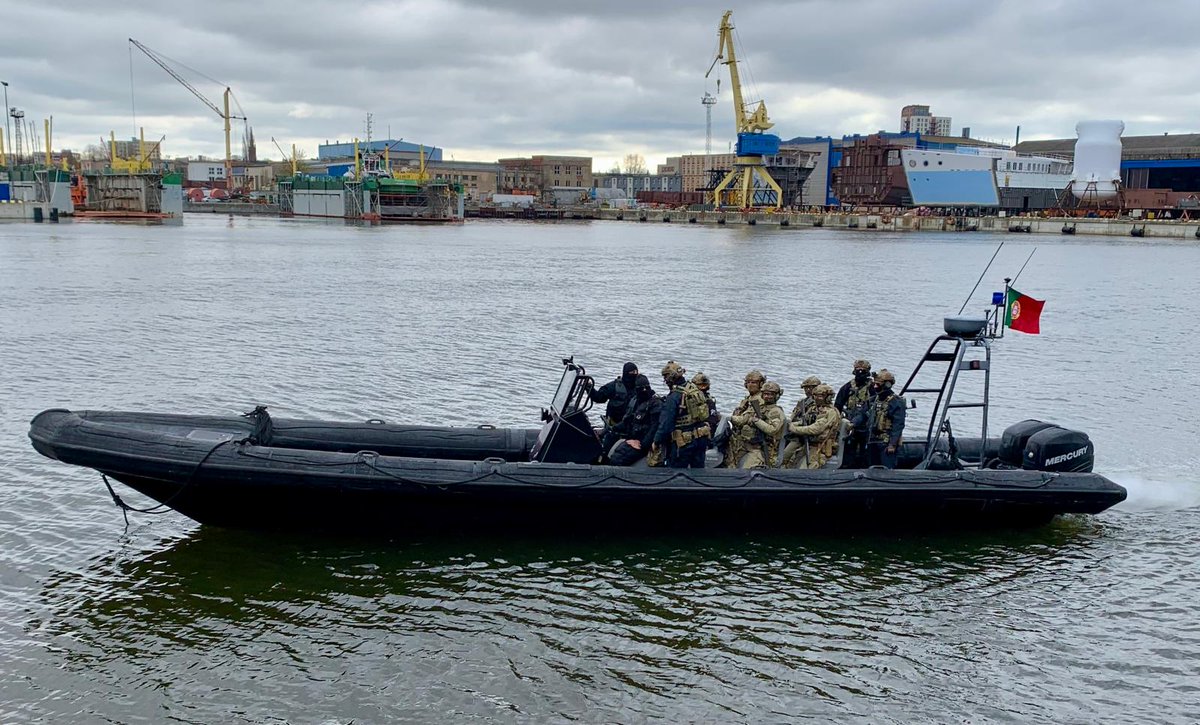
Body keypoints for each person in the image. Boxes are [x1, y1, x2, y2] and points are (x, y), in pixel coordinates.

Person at [653, 361, 712, 468]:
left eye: (665, 377)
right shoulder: (694, 389)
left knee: (676, 473)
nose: (665, 380)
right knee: (698, 472)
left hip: (684, 442)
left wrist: (656, 441)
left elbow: (666, 425)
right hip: (701, 438)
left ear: (671, 377)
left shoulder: (675, 396)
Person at [781, 384, 842, 469]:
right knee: (788, 461)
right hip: (807, 443)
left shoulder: (830, 412)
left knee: (805, 468)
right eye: (815, 395)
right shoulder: (814, 409)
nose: (817, 398)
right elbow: (804, 421)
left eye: (820, 396)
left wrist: (794, 429)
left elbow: (816, 429)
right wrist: (790, 424)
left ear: (827, 397)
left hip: (819, 448)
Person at [607, 375, 662, 466]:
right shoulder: (639, 402)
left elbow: (654, 428)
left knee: (617, 460)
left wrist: (642, 445)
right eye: (641, 388)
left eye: (646, 388)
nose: (644, 390)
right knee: (614, 454)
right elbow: (628, 421)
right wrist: (610, 429)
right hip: (634, 439)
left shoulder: (655, 404)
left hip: (643, 444)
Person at [731, 381, 786, 469]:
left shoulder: (776, 411)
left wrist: (757, 421)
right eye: (765, 394)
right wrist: (731, 418)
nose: (767, 397)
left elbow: (772, 430)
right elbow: (745, 418)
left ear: (776, 396)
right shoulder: (759, 407)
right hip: (747, 444)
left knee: (747, 469)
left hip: (762, 448)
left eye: (771, 394)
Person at [862, 369, 906, 469]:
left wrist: (892, 444)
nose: (875, 387)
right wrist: (851, 424)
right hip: (872, 440)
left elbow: (898, 425)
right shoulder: (873, 400)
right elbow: (863, 415)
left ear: (887, 385)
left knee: (887, 467)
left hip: (885, 442)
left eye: (878, 385)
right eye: (874, 384)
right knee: (871, 466)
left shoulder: (896, 402)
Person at [589, 362, 639, 450]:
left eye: (636, 373)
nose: (634, 375)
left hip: (631, 430)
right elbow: (599, 398)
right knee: (606, 450)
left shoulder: (640, 388)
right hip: (613, 428)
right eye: (632, 373)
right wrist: (589, 387)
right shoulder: (614, 386)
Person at [723, 370, 767, 467]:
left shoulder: (760, 400)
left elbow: (746, 419)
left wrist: (728, 418)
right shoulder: (748, 399)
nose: (750, 385)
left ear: (761, 384)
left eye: (754, 382)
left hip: (753, 443)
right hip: (740, 441)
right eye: (748, 382)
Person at [837, 360, 874, 468]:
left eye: (863, 371)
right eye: (858, 370)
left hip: (866, 426)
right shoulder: (847, 387)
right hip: (849, 425)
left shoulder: (872, 388)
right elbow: (838, 406)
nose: (861, 373)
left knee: (865, 451)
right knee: (848, 450)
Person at [690, 372, 721, 440]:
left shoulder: (709, 401)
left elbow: (713, 420)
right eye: (700, 385)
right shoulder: (690, 399)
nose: (702, 387)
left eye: (704, 385)